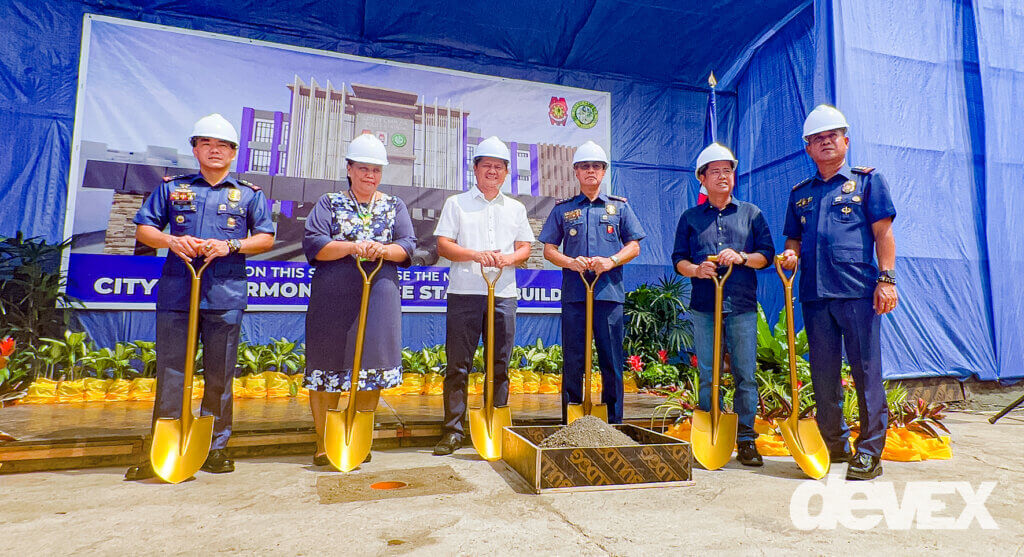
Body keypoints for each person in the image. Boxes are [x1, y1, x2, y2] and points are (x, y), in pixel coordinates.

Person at [126, 114, 275, 480]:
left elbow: (266, 237)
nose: (214, 150)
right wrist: (170, 240)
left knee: (220, 375)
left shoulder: (249, 194)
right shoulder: (172, 188)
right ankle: (164, 446)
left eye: (222, 145)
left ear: (234, 153)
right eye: (206, 143)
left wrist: (231, 245)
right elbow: (145, 228)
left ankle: (215, 447)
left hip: (225, 295)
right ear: (195, 149)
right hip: (178, 294)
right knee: (172, 372)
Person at [780, 104, 898, 480]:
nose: (825, 142)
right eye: (817, 139)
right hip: (815, 297)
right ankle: (834, 444)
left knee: (866, 372)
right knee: (823, 375)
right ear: (808, 149)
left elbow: (883, 234)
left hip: (858, 293)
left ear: (846, 141)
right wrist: (790, 254)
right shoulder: (800, 194)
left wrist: (887, 280)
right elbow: (793, 239)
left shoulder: (867, 182)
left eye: (832, 136)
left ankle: (870, 452)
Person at [302, 134, 416, 467]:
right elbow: (315, 244)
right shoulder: (329, 202)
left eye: (376, 170)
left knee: (372, 368)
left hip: (379, 295)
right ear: (349, 169)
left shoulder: (394, 205)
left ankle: (357, 438)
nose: (370, 175)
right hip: (333, 297)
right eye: (363, 168)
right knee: (327, 365)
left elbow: (407, 245)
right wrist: (353, 247)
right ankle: (325, 443)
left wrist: (383, 249)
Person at [672, 142, 774, 467]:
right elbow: (678, 260)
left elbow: (766, 256)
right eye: (714, 171)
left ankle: (746, 440)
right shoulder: (690, 218)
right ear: (702, 179)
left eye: (727, 170)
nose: (722, 176)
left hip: (741, 306)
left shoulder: (751, 213)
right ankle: (711, 429)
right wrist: (696, 270)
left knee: (745, 374)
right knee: (708, 372)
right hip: (704, 306)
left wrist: (741, 256)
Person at [432, 136, 534, 456]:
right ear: (475, 169)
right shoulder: (456, 204)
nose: (492, 171)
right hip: (464, 293)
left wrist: (508, 258)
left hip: (503, 295)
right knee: (458, 365)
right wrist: (476, 255)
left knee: (499, 364)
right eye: (486, 165)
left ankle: (496, 426)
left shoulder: (516, 208)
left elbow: (525, 248)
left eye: (499, 166)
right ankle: (453, 431)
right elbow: (443, 246)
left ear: (506, 172)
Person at [539, 140, 645, 425]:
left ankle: (613, 421)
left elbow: (634, 246)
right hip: (575, 295)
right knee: (573, 359)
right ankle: (571, 420)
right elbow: (548, 249)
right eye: (584, 166)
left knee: (611, 360)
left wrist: (611, 261)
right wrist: (570, 262)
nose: (590, 171)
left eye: (596, 166)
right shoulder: (563, 210)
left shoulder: (619, 208)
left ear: (604, 171)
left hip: (609, 295)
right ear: (576, 172)